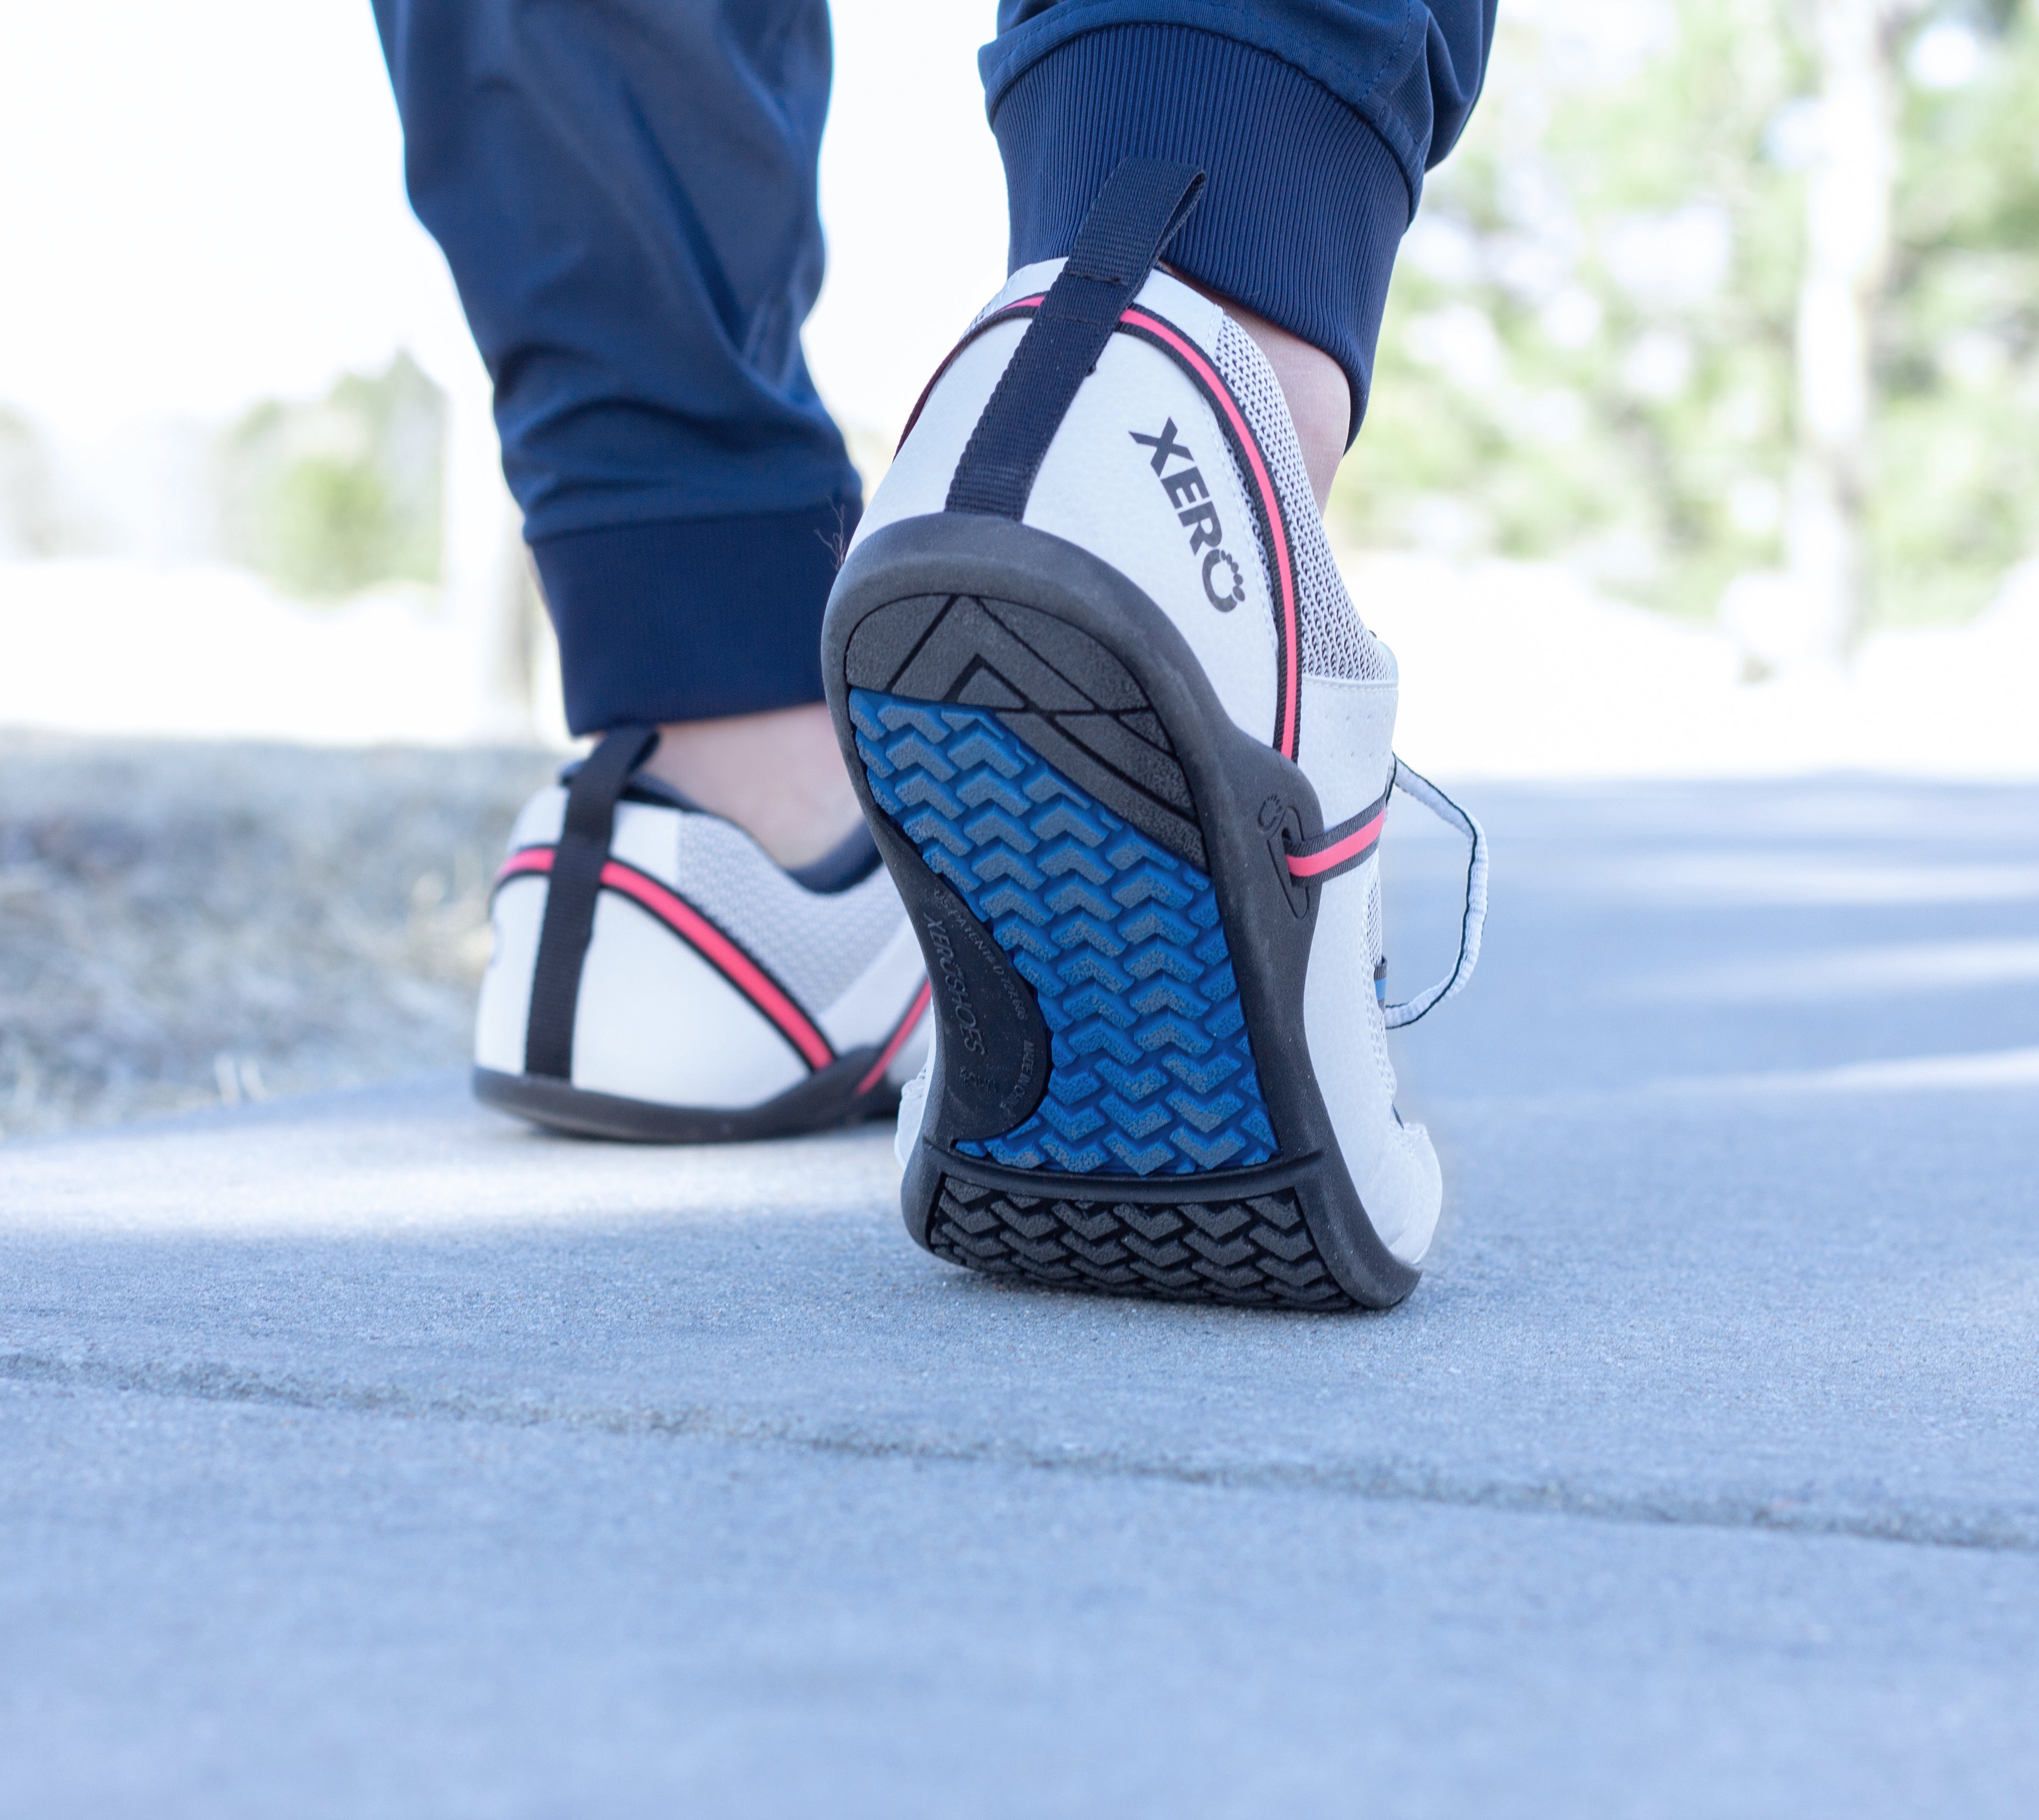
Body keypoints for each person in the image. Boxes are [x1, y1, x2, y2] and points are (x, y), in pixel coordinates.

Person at [373, 0, 1494, 1309]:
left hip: (632, 689)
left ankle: (723, 783)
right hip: (1193, 420)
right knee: (1208, 152)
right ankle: (1201, 381)